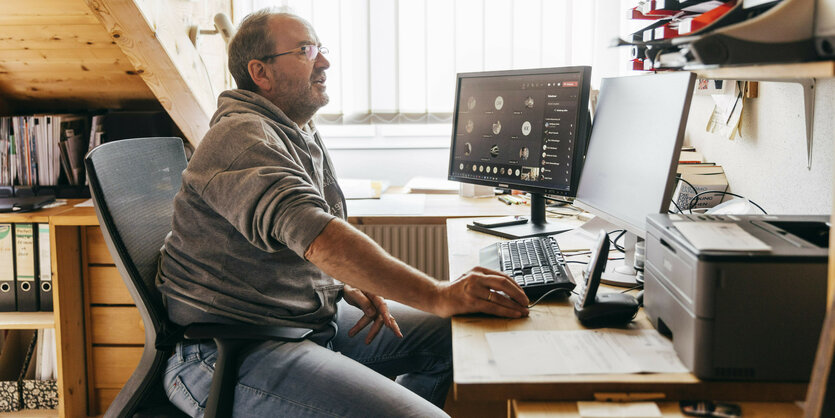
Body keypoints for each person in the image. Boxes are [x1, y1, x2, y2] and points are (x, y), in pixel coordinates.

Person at [156, 9, 529, 418]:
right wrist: (437, 294)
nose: (325, 61)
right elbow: (320, 237)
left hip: (302, 324)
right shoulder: (242, 137)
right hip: (228, 352)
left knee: (457, 337)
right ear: (260, 72)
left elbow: (299, 243)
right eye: (305, 50)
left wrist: (335, 282)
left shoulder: (293, 128)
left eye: (320, 48)